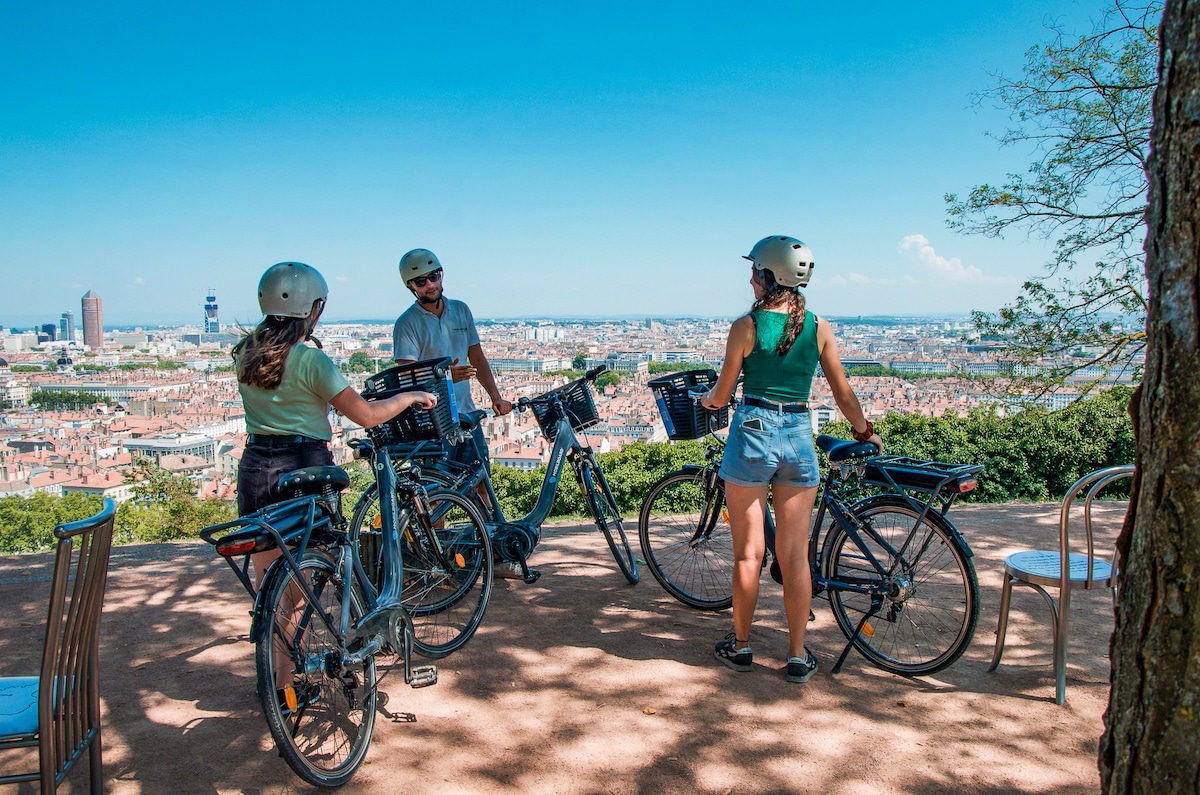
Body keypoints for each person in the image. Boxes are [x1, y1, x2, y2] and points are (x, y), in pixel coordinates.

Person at [701, 235, 883, 683]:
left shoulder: (745, 326)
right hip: (799, 435)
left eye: (753, 271)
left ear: (767, 276)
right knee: (796, 556)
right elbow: (842, 391)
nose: (749, 277)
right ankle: (798, 655)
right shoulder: (819, 326)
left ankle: (741, 646)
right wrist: (863, 431)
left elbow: (723, 394)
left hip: (752, 434)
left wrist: (708, 399)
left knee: (748, 554)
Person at [235, 261, 437, 588]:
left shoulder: (245, 352)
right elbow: (366, 415)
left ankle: (273, 640)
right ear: (313, 308)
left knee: (268, 580)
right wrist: (410, 397)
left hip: (255, 468)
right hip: (303, 468)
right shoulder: (310, 359)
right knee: (300, 585)